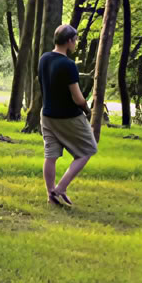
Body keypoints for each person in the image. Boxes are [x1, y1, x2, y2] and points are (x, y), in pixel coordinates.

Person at [39, 24, 97, 207]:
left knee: (51, 155)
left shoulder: (44, 59)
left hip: (47, 115)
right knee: (88, 150)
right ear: (70, 41)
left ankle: (51, 195)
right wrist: (88, 109)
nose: (76, 43)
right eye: (76, 39)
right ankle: (61, 188)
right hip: (68, 117)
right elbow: (78, 98)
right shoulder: (68, 65)